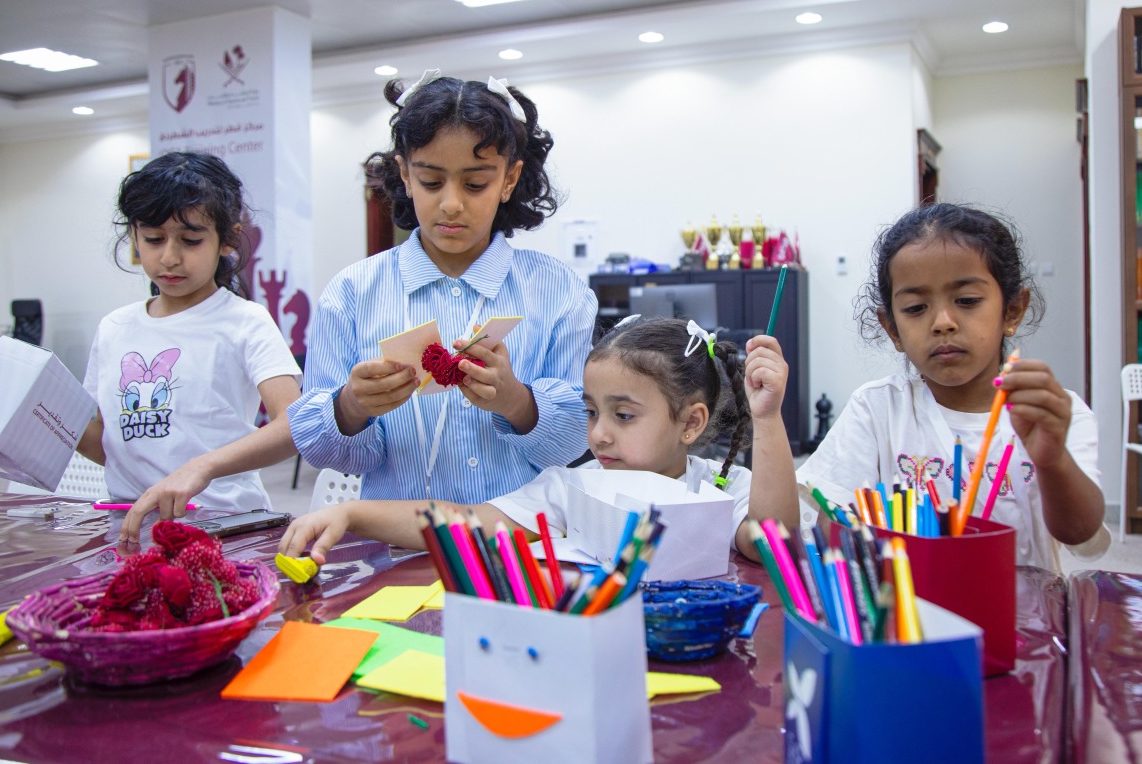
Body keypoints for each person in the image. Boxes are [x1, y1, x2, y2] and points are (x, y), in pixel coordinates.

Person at [287, 71, 596, 503]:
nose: (451, 203)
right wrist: (351, 407)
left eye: (475, 184)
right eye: (432, 181)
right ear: (406, 175)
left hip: (518, 545)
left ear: (509, 179)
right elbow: (321, 449)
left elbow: (576, 442)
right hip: (395, 545)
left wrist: (517, 403)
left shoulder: (559, 291)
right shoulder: (352, 294)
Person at [279, 316, 799, 565]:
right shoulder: (571, 489)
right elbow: (465, 523)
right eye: (592, 412)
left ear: (690, 423)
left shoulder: (720, 492)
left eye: (623, 414)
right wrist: (354, 515)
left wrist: (769, 418)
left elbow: (776, 542)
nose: (598, 434)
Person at [797, 203, 1107, 571]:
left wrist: (1053, 459)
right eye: (915, 308)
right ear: (892, 328)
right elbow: (833, 530)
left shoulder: (1054, 413)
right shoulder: (877, 409)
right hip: (912, 620)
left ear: (1012, 310)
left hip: (1021, 622)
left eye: (967, 301)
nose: (943, 322)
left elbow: (1082, 537)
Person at [77, 152, 303, 543]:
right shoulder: (114, 327)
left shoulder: (244, 321)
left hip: (227, 525)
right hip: (132, 527)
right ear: (134, 236)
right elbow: (107, 442)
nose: (169, 256)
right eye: (153, 239)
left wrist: (202, 468)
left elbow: (293, 426)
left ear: (226, 240)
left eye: (190, 240)